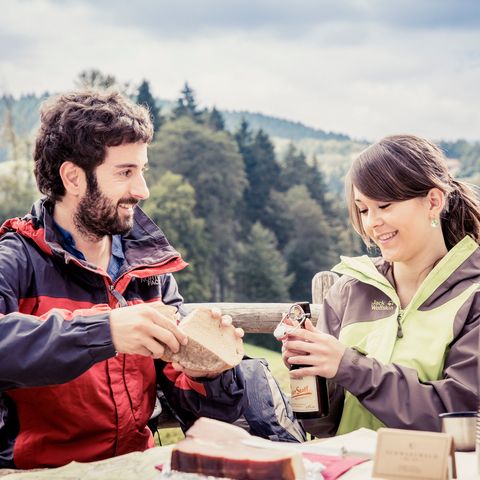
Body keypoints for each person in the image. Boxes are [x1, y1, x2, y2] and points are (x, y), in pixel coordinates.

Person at [0, 89, 245, 469]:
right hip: (36, 473)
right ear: (73, 177)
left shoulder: (149, 267)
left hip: (137, 468)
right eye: (125, 172)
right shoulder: (15, 258)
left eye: (142, 170)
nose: (142, 190)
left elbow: (189, 396)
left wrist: (207, 372)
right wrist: (105, 331)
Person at [282, 134, 480, 435]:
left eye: (384, 206)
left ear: (434, 201)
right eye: (363, 210)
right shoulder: (349, 292)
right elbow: (323, 427)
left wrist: (348, 367)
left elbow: (461, 418)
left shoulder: (473, 296)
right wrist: (313, 376)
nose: (371, 223)